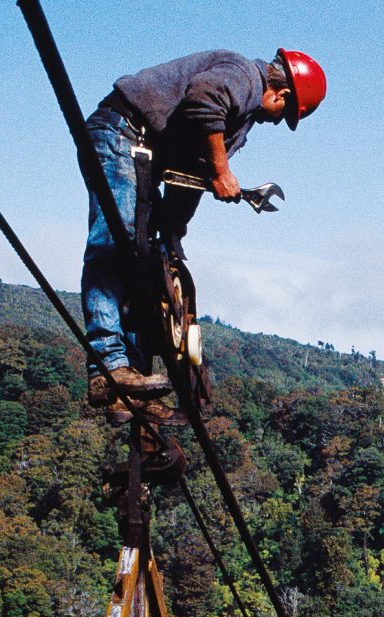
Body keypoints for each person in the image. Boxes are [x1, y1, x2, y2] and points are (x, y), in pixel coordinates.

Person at [81, 48, 326, 417]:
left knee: (145, 266)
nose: (277, 122)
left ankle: (131, 383)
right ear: (282, 94)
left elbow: (189, 175)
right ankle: (108, 366)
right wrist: (221, 170)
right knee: (115, 248)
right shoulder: (244, 76)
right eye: (284, 114)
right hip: (121, 133)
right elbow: (204, 99)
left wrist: (172, 234)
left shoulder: (238, 123)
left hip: (144, 152)